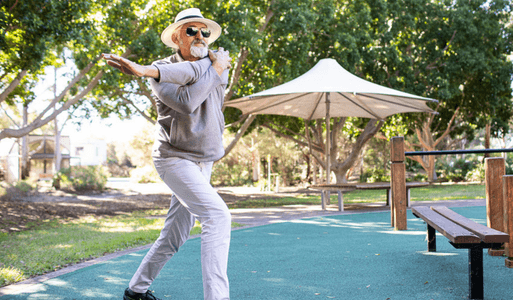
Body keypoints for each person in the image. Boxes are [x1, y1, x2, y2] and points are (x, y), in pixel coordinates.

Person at [102, 8, 232, 300]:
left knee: (176, 233)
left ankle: (136, 291)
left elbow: (201, 78)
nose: (199, 36)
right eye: (191, 31)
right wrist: (217, 67)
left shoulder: (209, 64)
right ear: (176, 37)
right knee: (218, 217)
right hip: (174, 159)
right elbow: (188, 101)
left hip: (203, 160)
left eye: (204, 32)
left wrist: (215, 67)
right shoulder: (162, 71)